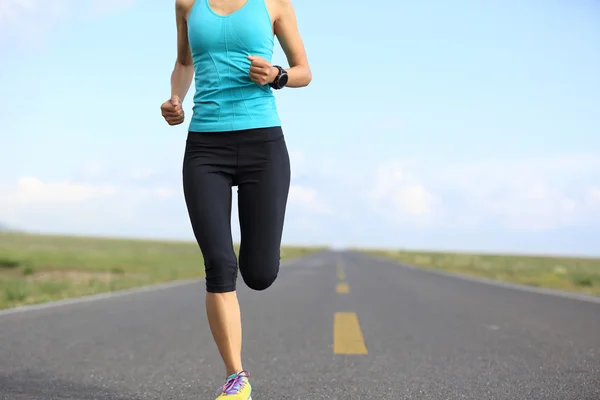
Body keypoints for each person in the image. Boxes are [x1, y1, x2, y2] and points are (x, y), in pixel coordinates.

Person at [160, 0, 312, 398]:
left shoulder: (274, 4)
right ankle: (236, 379)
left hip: (263, 144)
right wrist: (175, 100)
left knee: (259, 274)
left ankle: (260, 260)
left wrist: (278, 75)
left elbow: (304, 72)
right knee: (220, 264)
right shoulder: (187, 4)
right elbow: (183, 62)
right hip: (205, 148)